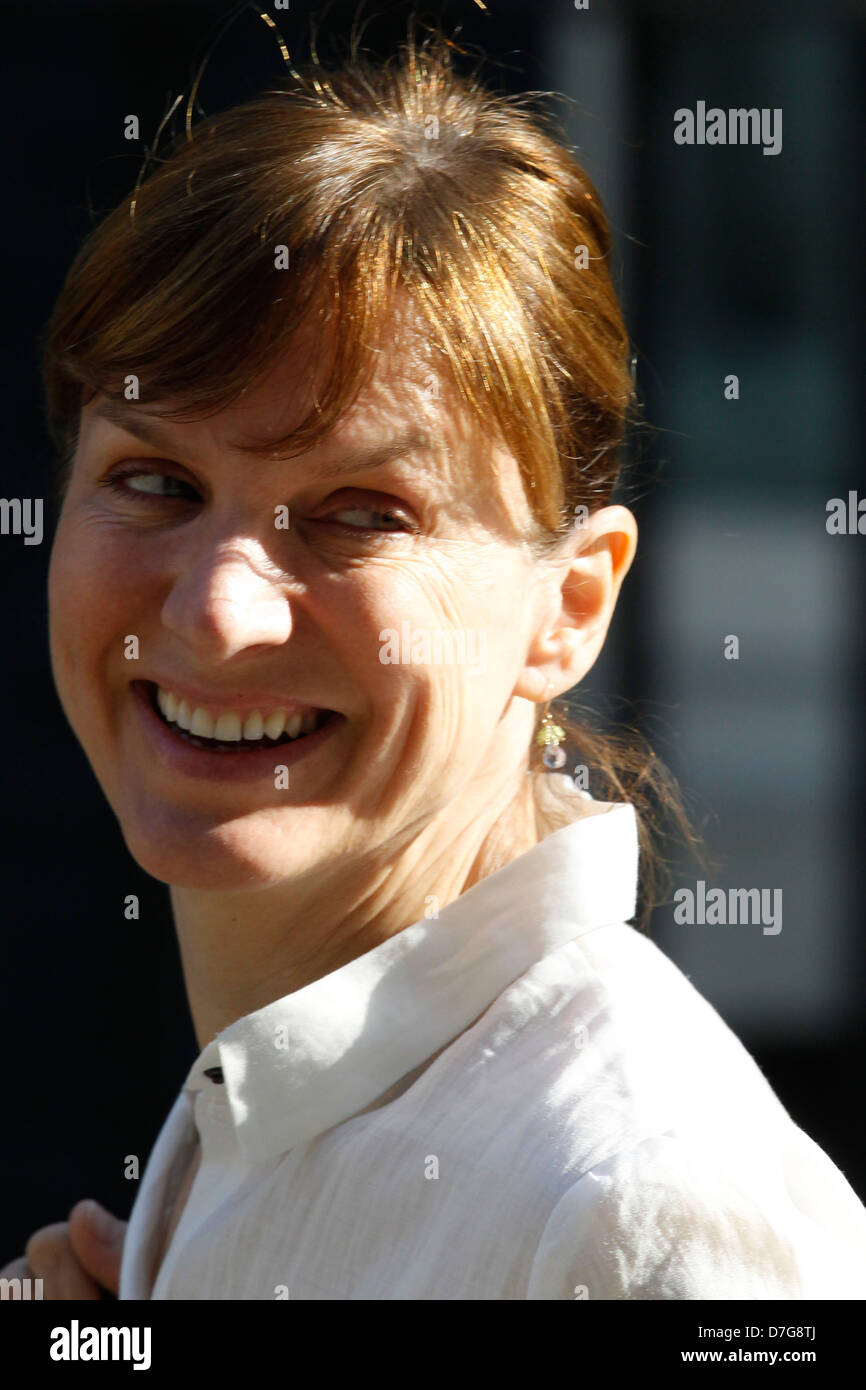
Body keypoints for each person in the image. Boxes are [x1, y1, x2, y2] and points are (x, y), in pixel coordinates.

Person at [4, 27, 866, 1301]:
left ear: (567, 608)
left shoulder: (636, 1209)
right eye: (152, 480)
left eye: (358, 511)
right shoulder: (284, 1088)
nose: (220, 610)